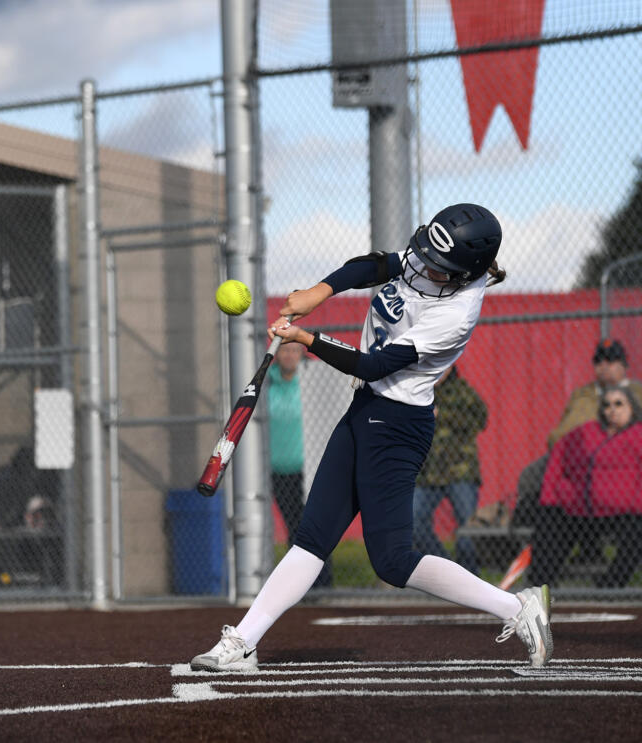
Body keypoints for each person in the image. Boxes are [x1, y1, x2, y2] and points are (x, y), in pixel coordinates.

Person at [190, 203, 553, 673]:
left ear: (465, 273)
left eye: (436, 265)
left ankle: (518, 608)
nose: (421, 265)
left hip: (398, 425)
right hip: (365, 411)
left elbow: (374, 365)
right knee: (311, 539)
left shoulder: (457, 311)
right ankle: (244, 640)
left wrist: (306, 337)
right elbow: (377, 265)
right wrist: (320, 291)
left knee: (393, 560)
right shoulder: (436, 256)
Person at [529, 386, 642, 588]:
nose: (612, 410)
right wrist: (550, 497)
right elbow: (558, 457)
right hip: (580, 510)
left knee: (635, 535)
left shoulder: (638, 435)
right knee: (550, 522)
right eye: (607, 405)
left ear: (632, 408)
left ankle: (610, 587)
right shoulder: (586, 432)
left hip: (625, 513)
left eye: (619, 404)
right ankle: (542, 584)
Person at [411, 365, 488, 575]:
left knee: (466, 526)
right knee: (414, 521)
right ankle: (448, 573)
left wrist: (443, 414)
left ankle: (471, 579)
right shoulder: (419, 390)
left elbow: (481, 419)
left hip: (459, 471)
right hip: (428, 473)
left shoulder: (462, 390)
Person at [267, 341, 331, 586]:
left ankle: (323, 585)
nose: (290, 355)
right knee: (293, 530)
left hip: (311, 469)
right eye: (285, 350)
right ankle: (298, 587)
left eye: (294, 350)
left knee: (316, 527)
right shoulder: (267, 383)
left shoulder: (311, 381)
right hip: (279, 471)